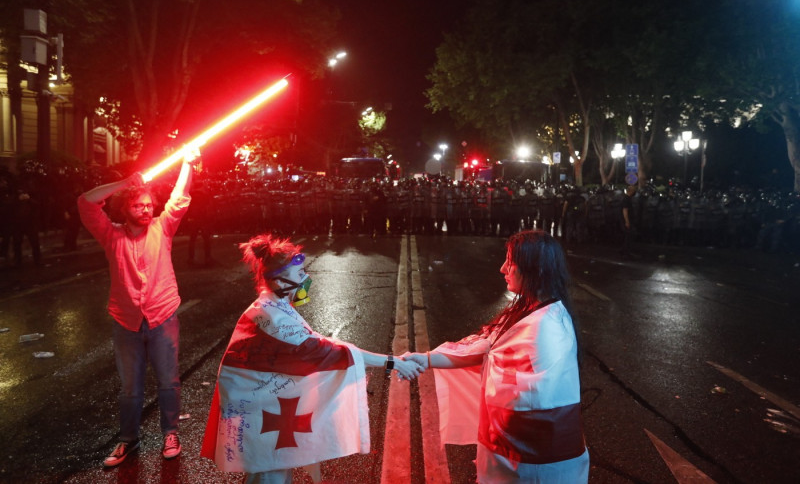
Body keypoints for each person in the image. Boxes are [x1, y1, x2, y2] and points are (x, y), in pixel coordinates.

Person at [201, 233, 422, 484]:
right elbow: (327, 351)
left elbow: (317, 343)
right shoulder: (272, 316)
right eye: (299, 274)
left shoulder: (275, 305)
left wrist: (392, 360)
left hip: (261, 402)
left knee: (275, 465)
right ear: (277, 280)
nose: (305, 279)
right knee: (269, 471)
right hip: (257, 407)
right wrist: (391, 362)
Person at [405, 230, 589, 483]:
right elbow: (485, 348)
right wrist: (425, 359)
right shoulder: (530, 308)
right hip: (518, 456)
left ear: (534, 268)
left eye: (511, 262)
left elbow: (529, 396)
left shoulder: (544, 327)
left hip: (533, 462)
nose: (502, 269)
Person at [77, 147, 199, 468]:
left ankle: (170, 433)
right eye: (138, 205)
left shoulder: (162, 227)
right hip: (126, 320)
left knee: (169, 380)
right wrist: (124, 183)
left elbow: (180, 198)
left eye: (149, 205)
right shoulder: (110, 235)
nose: (146, 210)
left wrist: (187, 163)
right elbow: (86, 202)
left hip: (162, 315)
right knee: (130, 387)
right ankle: (128, 440)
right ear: (124, 208)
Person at [620, 185, 637, 258]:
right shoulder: (626, 199)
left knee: (627, 237)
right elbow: (625, 210)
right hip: (626, 221)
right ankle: (626, 253)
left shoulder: (626, 198)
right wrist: (627, 221)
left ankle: (624, 251)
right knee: (628, 237)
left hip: (626, 220)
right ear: (631, 191)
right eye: (634, 190)